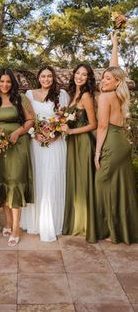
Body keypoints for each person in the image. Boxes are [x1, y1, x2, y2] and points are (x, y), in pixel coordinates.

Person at [94, 33, 138, 244]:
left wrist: (97, 153)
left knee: (102, 184)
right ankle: (125, 230)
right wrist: (114, 44)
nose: (103, 80)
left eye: (107, 79)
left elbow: (102, 126)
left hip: (110, 141)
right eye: (102, 78)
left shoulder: (105, 97)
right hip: (123, 142)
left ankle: (110, 230)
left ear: (116, 81)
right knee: (121, 186)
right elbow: (114, 70)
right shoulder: (120, 93)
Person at [0, 68, 34, 246]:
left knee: (14, 184)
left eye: (8, 82)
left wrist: (17, 132)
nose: (5, 85)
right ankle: (7, 222)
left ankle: (15, 229)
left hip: (16, 146)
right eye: (2, 81)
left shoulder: (20, 99)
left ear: (13, 83)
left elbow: (30, 120)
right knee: (3, 184)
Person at [20, 66, 69, 242]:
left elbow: (62, 119)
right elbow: (26, 118)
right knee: (38, 179)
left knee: (52, 180)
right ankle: (36, 222)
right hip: (35, 143)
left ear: (53, 78)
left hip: (56, 144)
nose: (46, 79)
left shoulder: (61, 94)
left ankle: (52, 223)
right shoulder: (29, 95)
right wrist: (36, 134)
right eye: (43, 76)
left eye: (49, 76)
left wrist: (54, 135)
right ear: (38, 78)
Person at [61, 64, 97, 242]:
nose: (80, 77)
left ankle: (86, 224)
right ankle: (76, 221)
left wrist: (71, 132)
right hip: (73, 144)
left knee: (83, 180)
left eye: (84, 74)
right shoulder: (71, 95)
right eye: (78, 73)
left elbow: (93, 124)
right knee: (75, 180)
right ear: (73, 74)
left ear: (88, 78)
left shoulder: (86, 95)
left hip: (83, 143)